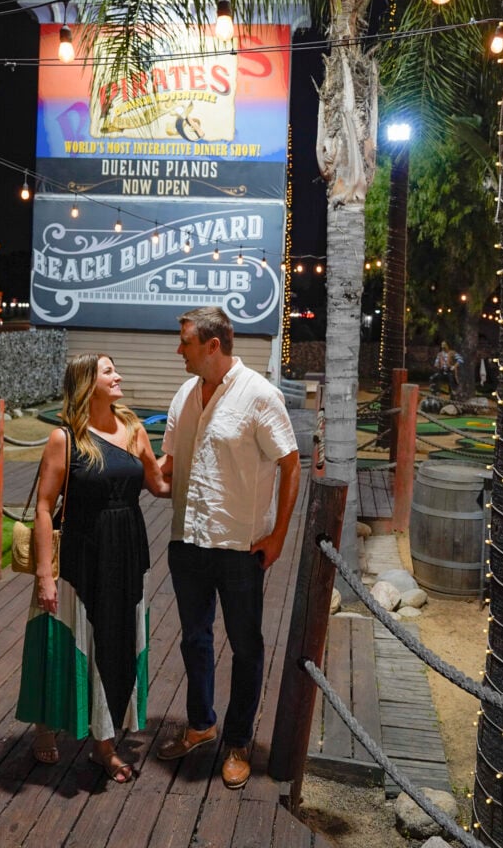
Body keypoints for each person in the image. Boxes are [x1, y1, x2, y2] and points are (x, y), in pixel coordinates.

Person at [155, 307, 301, 790]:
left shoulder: (259, 394)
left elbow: (291, 464)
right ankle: (201, 725)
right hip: (187, 540)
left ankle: (238, 742)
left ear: (213, 345)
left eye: (186, 341)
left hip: (240, 546)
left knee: (245, 646)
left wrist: (278, 535)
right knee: (194, 639)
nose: (179, 349)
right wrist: (117, 459)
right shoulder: (184, 394)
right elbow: (168, 467)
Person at [16, 353, 169, 783]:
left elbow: (158, 484)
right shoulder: (64, 438)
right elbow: (44, 507)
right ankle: (46, 724)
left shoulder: (134, 428)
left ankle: (103, 744)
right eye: (108, 371)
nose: (118, 376)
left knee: (114, 643)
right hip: (79, 554)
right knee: (63, 638)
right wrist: (44, 575)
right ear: (87, 383)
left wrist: (198, 457)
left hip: (127, 551)